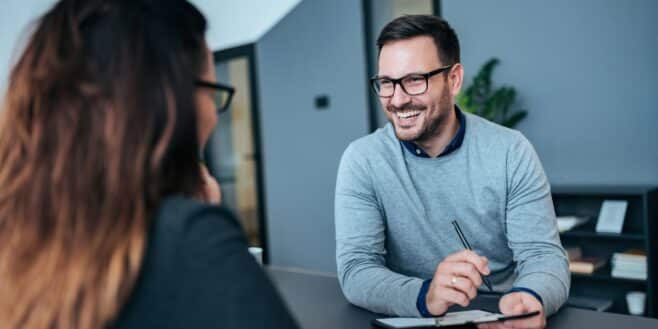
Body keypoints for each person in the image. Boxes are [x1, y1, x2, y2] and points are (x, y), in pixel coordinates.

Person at [0, 1, 299, 328]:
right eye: (213, 93)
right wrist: (198, 220)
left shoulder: (18, 236)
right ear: (168, 105)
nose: (214, 115)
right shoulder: (187, 238)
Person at [335, 15, 569, 328]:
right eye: (387, 83)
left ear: (454, 79)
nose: (398, 99)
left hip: (499, 315)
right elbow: (357, 269)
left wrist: (530, 296)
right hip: (412, 317)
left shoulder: (511, 151)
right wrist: (426, 295)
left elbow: (543, 255)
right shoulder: (362, 160)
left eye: (415, 80)